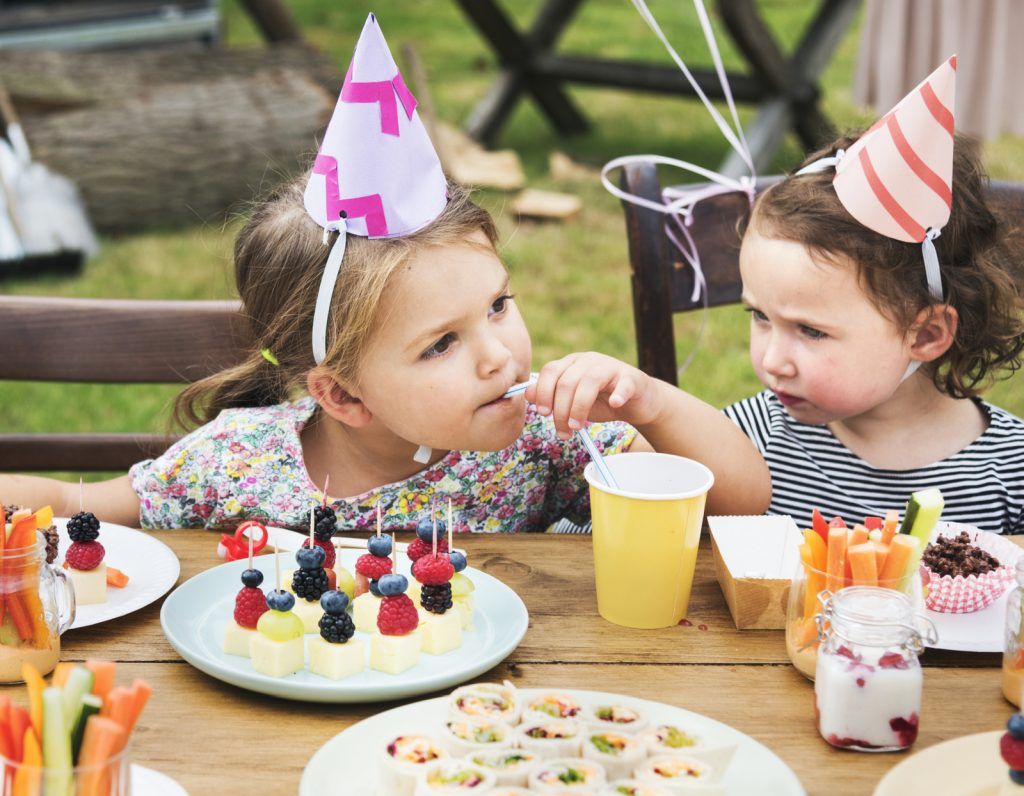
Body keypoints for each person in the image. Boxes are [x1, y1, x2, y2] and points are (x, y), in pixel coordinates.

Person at [0, 15, 769, 534]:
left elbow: (741, 506)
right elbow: (73, 504)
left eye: (499, 305)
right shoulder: (240, 464)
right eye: (441, 344)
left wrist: (653, 403)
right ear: (340, 393)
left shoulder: (549, 445)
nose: (501, 355)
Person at [725, 128, 1024, 534]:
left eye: (811, 331)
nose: (772, 361)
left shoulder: (1011, 473)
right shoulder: (749, 440)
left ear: (925, 335)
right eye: (760, 316)